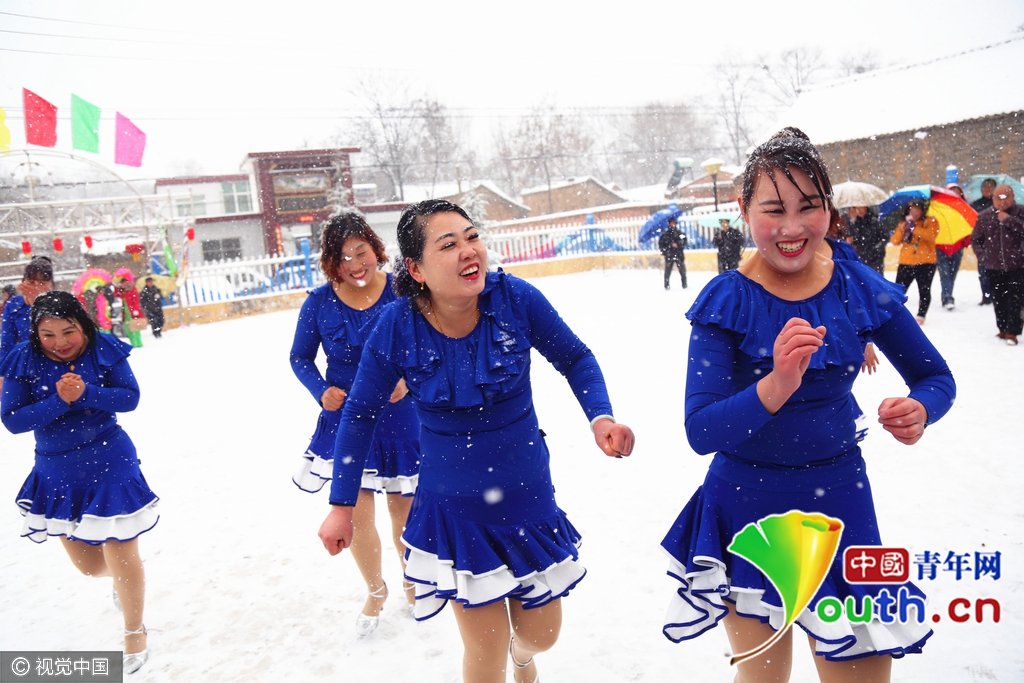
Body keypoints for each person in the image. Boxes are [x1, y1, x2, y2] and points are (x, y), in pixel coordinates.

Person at [660, 128, 955, 683]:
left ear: (828, 209)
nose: (793, 227)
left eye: (809, 207)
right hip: (745, 510)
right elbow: (701, 429)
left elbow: (935, 377)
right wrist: (776, 384)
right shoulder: (727, 300)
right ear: (744, 209)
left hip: (841, 509)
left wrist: (921, 408)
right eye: (774, 209)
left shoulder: (857, 285)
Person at [318, 199, 634, 683]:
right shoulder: (398, 326)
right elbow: (360, 415)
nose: (470, 251)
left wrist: (601, 417)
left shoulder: (516, 301)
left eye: (472, 237)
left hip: (528, 500)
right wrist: (342, 503)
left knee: (543, 634)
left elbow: (576, 357)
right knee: (482, 657)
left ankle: (522, 655)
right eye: (449, 244)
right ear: (416, 268)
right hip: (455, 514)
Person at [0, 291, 158, 675]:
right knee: (89, 567)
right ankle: (123, 581)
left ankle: (134, 631)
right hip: (57, 472)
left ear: (83, 325)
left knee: (121, 551)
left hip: (110, 460)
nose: (60, 342)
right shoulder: (25, 357)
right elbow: (13, 420)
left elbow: (129, 398)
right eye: (48, 334)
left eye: (68, 331)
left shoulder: (102, 347)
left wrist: (88, 392)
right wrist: (60, 400)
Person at [290, 211, 421, 634]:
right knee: (356, 514)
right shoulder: (318, 303)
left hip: (400, 418)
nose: (355, 263)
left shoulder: (401, 294)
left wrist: (407, 378)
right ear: (332, 260)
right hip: (347, 417)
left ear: (374, 248)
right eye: (343, 256)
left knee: (404, 510)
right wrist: (319, 389)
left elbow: (427, 345)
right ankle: (375, 588)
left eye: (360, 251)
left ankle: (413, 582)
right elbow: (299, 357)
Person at [970, 185, 1024, 345]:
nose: (1002, 201)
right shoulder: (984, 216)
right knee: (999, 299)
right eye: (998, 197)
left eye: (1006, 196)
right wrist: (983, 257)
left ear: (1013, 197)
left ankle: (1013, 331)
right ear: (992, 198)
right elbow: (976, 239)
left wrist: (1008, 220)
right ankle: (1002, 328)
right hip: (993, 266)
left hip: (1017, 265)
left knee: (1016, 299)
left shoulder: (1020, 212)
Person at [891, 200, 939, 324]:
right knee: (899, 289)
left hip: (925, 262)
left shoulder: (930, 221)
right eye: (912, 210)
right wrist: (902, 229)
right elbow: (895, 241)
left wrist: (915, 228)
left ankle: (921, 315)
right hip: (906, 261)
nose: (915, 212)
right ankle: (893, 311)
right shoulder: (904, 223)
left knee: (924, 289)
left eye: (918, 210)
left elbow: (931, 236)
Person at [1, 257, 54, 366]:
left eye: (41, 282)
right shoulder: (13, 305)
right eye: (31, 281)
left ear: (51, 284)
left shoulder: (59, 303)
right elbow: (7, 343)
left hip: (55, 361)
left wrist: (39, 302)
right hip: (25, 363)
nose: (35, 286)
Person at [934, 184, 969, 310]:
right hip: (940, 247)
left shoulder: (964, 209)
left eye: (957, 192)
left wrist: (965, 242)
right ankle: (948, 298)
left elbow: (968, 227)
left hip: (957, 247)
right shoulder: (939, 208)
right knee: (945, 275)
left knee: (952, 275)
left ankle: (946, 295)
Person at [971, 178, 997, 305]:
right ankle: (986, 296)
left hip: (1000, 245)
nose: (987, 190)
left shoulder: (1001, 205)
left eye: (990, 187)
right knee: (983, 273)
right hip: (983, 244)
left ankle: (998, 295)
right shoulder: (975, 205)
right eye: (985, 187)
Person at [845, 206, 888, 276]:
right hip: (861, 257)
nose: (859, 210)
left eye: (861, 208)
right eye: (857, 208)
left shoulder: (875, 221)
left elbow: (885, 237)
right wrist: (852, 241)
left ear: (866, 208)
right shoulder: (855, 223)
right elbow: (857, 239)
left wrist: (876, 248)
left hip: (875, 259)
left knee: (875, 280)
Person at [113, 269, 145, 348]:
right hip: (126, 314)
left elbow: (136, 301)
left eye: (125, 283)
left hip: (133, 312)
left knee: (135, 329)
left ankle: (138, 343)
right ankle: (133, 343)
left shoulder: (132, 290)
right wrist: (116, 286)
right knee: (128, 329)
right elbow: (116, 294)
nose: (124, 284)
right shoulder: (123, 291)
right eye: (122, 283)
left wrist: (135, 311)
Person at [658, 217, 688, 289]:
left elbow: (684, 241)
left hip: (678, 254)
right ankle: (666, 285)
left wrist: (678, 244)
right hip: (669, 255)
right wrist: (669, 247)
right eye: (672, 223)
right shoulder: (665, 234)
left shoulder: (679, 233)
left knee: (682, 270)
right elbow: (661, 244)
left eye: (674, 223)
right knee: (668, 270)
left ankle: (684, 284)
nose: (673, 224)